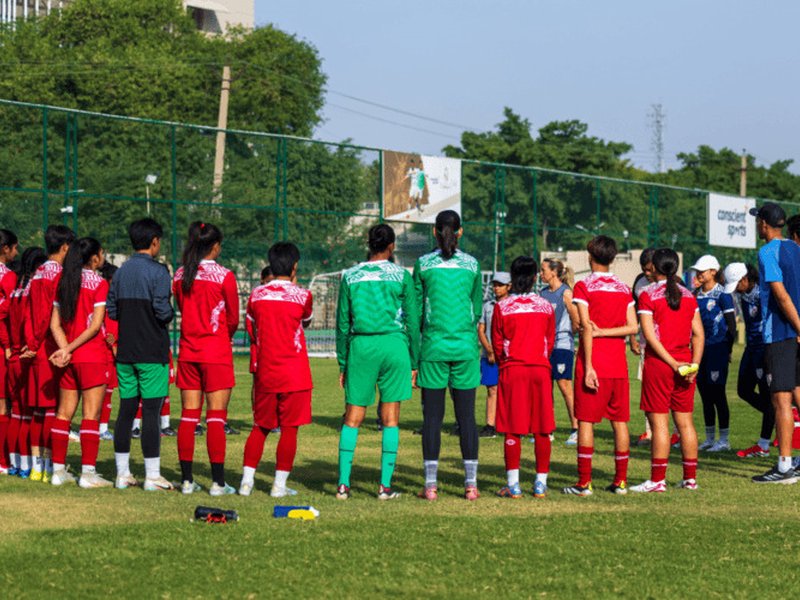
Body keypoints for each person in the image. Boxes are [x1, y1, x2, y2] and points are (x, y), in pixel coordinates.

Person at [335, 224, 418, 500]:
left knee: (353, 417)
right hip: (394, 346)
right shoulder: (401, 275)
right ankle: (384, 487)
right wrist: (415, 360)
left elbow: (343, 323)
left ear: (368, 244)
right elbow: (413, 321)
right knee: (391, 418)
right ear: (392, 246)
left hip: (362, 346)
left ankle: (343, 485)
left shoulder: (351, 275)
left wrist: (343, 362)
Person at [414, 210, 483, 501]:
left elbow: (416, 311)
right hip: (465, 349)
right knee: (466, 418)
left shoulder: (422, 264)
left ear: (434, 231)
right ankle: (471, 486)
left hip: (433, 348)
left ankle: (430, 487)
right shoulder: (472, 265)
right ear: (461, 232)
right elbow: (476, 309)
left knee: (432, 419)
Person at [563, 235, 638, 496]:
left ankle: (584, 483)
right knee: (620, 422)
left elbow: (586, 327)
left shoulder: (584, 286)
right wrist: (607, 332)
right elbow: (633, 327)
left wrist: (590, 364)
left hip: (593, 362)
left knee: (585, 421)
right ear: (613, 258)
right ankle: (621, 481)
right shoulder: (623, 287)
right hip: (619, 364)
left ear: (590, 257)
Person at [238, 242, 313, 497]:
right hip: (294, 372)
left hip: (266, 370)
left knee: (260, 426)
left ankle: (246, 483)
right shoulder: (303, 295)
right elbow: (307, 321)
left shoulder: (256, 295)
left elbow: (251, 328)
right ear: (294, 267)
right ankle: (278, 486)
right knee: (289, 429)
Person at [106, 218, 174, 491]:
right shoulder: (159, 272)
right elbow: (162, 310)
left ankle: (122, 474)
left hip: (126, 352)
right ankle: (152, 476)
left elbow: (112, 311)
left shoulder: (121, 272)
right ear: (155, 242)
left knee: (126, 411)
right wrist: (168, 313)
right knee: (151, 412)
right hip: (151, 351)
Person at [173, 221, 239, 496]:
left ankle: (187, 481)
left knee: (189, 417)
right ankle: (218, 483)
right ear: (215, 246)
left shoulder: (179, 275)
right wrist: (223, 335)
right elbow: (233, 318)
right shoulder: (225, 276)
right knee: (215, 417)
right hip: (216, 352)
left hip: (188, 352)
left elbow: (179, 307)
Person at [630, 249, 703, 492]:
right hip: (686, 363)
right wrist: (695, 364)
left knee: (659, 424)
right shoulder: (688, 295)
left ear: (655, 267)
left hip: (661, 365)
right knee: (685, 423)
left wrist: (672, 363)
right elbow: (699, 334)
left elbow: (649, 336)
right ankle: (690, 479)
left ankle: (657, 480)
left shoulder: (648, 294)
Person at [47, 238, 112, 488]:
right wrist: (71, 348)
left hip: (69, 359)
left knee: (63, 414)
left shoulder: (63, 281)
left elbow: (55, 324)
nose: (103, 257)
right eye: (101, 252)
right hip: (91, 356)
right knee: (90, 415)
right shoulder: (100, 283)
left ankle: (58, 470)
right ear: (93, 258)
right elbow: (95, 326)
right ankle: (88, 473)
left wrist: (64, 350)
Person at [492, 256, 555, 498]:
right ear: (534, 278)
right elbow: (548, 341)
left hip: (513, 369)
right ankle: (540, 483)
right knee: (542, 427)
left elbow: (498, 344)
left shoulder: (502, 307)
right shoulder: (545, 306)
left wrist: (506, 362)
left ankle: (514, 484)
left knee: (512, 428)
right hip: (540, 369)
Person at [750, 203, 800, 483]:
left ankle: (784, 467)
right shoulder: (797, 249)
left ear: (765, 225)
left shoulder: (768, 251)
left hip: (781, 333)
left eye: (758, 220)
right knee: (797, 395)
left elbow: (780, 295)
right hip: (794, 334)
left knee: (781, 401)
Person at [26, 224, 75, 482]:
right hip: (50, 345)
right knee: (53, 409)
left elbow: (29, 312)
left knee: (37, 409)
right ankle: (48, 466)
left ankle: (36, 466)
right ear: (65, 247)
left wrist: (29, 342)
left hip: (36, 345)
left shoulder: (37, 273)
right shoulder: (58, 274)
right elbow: (49, 314)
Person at [722, 263, 774, 458]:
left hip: (765, 348)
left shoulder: (764, 293)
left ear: (745, 279)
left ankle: (763, 445)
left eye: (736, 285)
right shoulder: (744, 293)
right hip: (750, 348)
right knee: (743, 390)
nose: (734, 290)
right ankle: (777, 415)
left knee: (768, 396)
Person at [5, 247, 46, 478]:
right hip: (28, 358)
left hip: (14, 357)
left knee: (17, 414)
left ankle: (16, 464)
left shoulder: (15, 292)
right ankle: (34, 465)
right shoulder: (33, 290)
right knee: (32, 416)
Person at [691, 255, 736, 452]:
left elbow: (732, 325)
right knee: (705, 394)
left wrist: (728, 349)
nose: (699, 273)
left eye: (703, 270)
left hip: (718, 349)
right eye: (698, 270)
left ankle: (724, 439)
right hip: (700, 351)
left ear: (713, 272)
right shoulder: (694, 295)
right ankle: (710, 438)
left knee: (718, 393)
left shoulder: (723, 295)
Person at [539, 258, 579, 446]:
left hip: (562, 346)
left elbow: (577, 320)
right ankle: (548, 430)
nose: (541, 273)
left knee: (564, 386)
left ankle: (576, 429)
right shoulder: (542, 294)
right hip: (544, 348)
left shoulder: (566, 293)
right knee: (546, 388)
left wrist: (569, 336)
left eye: (543, 270)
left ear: (554, 272)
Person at [477, 272, 511, 439]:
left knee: (508, 391)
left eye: (500, 285)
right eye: (495, 285)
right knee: (492, 389)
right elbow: (481, 330)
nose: (496, 288)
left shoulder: (513, 305)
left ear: (509, 286)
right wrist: (489, 350)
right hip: (489, 355)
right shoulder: (488, 306)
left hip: (507, 355)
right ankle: (490, 425)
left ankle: (507, 423)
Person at [630, 248, 656, 446]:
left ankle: (674, 432)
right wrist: (632, 336)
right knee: (647, 387)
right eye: (643, 270)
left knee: (670, 389)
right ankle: (649, 432)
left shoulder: (674, 283)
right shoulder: (639, 283)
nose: (647, 274)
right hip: (646, 343)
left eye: (649, 270)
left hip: (669, 343)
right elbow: (633, 312)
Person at [0, 229, 19, 474]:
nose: (16, 252)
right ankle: (3, 461)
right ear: (6, 249)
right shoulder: (8, 277)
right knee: (3, 404)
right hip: (2, 345)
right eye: (15, 248)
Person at [98, 262, 118, 442]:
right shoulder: (102, 295)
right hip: (104, 351)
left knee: (109, 390)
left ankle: (102, 427)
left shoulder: (114, 297)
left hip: (111, 351)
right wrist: (110, 341)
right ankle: (101, 427)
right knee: (104, 391)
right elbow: (101, 323)